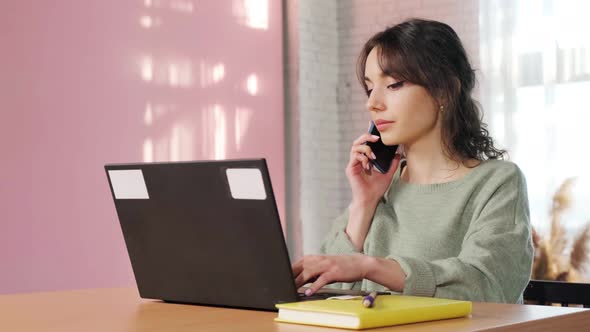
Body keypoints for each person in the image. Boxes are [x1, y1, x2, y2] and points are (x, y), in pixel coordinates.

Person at [292, 18, 534, 303]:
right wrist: (363, 205)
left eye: (394, 85)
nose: (372, 103)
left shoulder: (497, 183)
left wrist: (371, 266)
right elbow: (320, 292)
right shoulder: (378, 187)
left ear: (444, 90)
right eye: (370, 88)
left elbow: (487, 285)